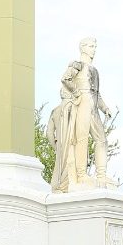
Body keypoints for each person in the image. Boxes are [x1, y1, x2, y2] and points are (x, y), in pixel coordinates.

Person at [50, 36, 113, 191]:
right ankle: (81, 174)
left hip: (93, 105)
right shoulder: (77, 65)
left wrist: (105, 108)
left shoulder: (95, 70)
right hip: (83, 103)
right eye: (91, 46)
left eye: (95, 46)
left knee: (102, 140)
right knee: (82, 139)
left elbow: (97, 93)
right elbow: (65, 79)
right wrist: (76, 92)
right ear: (83, 47)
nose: (94, 49)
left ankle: (101, 175)